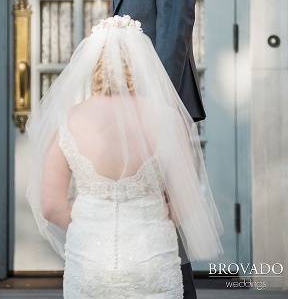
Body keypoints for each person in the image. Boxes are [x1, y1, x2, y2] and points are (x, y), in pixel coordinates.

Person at [26, 15, 223, 299]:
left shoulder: (66, 120)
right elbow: (188, 200)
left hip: (90, 259)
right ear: (143, 64)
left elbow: (51, 207)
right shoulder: (169, 119)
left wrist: (91, 223)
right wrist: (150, 217)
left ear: (92, 63)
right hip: (153, 257)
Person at [107, 0, 205, 297]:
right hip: (129, 105)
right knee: (145, 212)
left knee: (166, 212)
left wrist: (154, 109)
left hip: (160, 106)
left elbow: (173, 39)